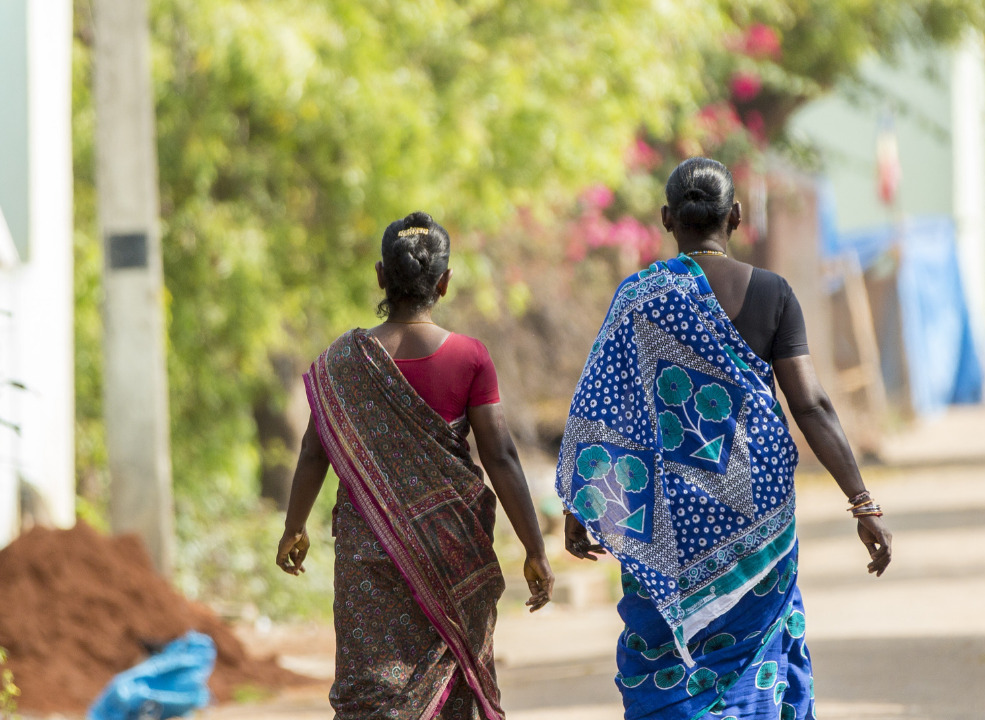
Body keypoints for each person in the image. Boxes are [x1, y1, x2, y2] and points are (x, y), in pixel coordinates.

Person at [560, 158, 893, 720]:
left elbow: (600, 412)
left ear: (668, 219)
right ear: (736, 216)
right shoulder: (773, 293)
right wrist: (863, 501)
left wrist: (581, 504)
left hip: (665, 518)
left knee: (666, 653)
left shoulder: (638, 296)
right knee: (760, 645)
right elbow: (810, 404)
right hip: (756, 511)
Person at [275, 211, 554, 720]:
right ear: (444, 282)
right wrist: (535, 549)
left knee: (372, 689)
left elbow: (314, 451)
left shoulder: (342, 361)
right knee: (452, 683)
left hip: (368, 556)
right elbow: (501, 455)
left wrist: (294, 527)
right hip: (451, 554)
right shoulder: (470, 357)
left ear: (381, 275)